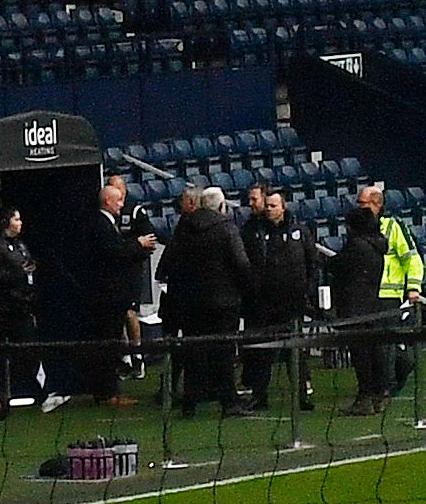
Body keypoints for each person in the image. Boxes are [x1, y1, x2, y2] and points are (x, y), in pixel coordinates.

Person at [330, 177, 425, 412]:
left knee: (383, 348)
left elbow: (411, 259)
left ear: (376, 204)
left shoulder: (394, 227)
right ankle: (373, 391)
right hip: (365, 296)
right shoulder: (360, 230)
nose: (359, 207)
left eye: (363, 203)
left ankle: (382, 391)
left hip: (387, 296)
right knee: (367, 348)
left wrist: (413, 287)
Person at [160, 183, 249, 412]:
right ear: (221, 206)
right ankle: (228, 400)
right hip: (223, 301)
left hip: (191, 302)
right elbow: (240, 264)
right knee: (224, 350)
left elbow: (171, 262)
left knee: (194, 350)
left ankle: (190, 399)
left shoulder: (184, 229)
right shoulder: (226, 228)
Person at [238, 183, 314, 413]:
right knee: (263, 353)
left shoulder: (300, 231)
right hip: (265, 304)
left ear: (283, 207)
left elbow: (312, 262)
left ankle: (302, 394)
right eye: (267, 205)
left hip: (293, 303)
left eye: (273, 205)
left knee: (297, 351)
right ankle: (259, 395)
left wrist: (307, 290)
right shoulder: (253, 232)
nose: (269, 209)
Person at [87, 171, 159, 407]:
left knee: (110, 342)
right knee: (107, 343)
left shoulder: (108, 224)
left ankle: (109, 390)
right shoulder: (101, 224)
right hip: (107, 296)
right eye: (118, 200)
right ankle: (107, 393)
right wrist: (137, 244)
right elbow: (114, 251)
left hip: (112, 295)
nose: (122, 205)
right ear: (108, 201)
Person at [0, 204, 43, 409]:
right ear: (6, 222)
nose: (20, 223)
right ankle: (4, 395)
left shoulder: (19, 244)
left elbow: (29, 264)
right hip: (6, 309)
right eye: (16, 219)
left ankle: (35, 391)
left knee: (30, 348)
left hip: (23, 304)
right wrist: (18, 274)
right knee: (7, 352)